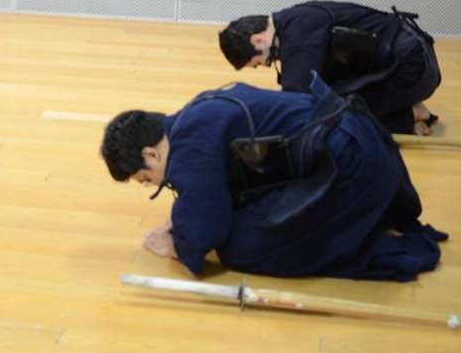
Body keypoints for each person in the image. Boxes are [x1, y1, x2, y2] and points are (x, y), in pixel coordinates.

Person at [100, 75, 447, 281]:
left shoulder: (190, 145)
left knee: (239, 247)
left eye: (148, 179)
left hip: (357, 169)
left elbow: (208, 227)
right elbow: (209, 192)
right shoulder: (196, 113)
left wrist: (175, 247)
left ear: (150, 154)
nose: (160, 183)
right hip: (371, 147)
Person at [218, 1, 440, 135]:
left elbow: (297, 101)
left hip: (411, 70)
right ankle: (402, 104)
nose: (267, 65)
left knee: (325, 114)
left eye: (259, 63)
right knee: (323, 95)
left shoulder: (299, 34)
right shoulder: (294, 22)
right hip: (413, 62)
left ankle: (408, 114)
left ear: (258, 40)